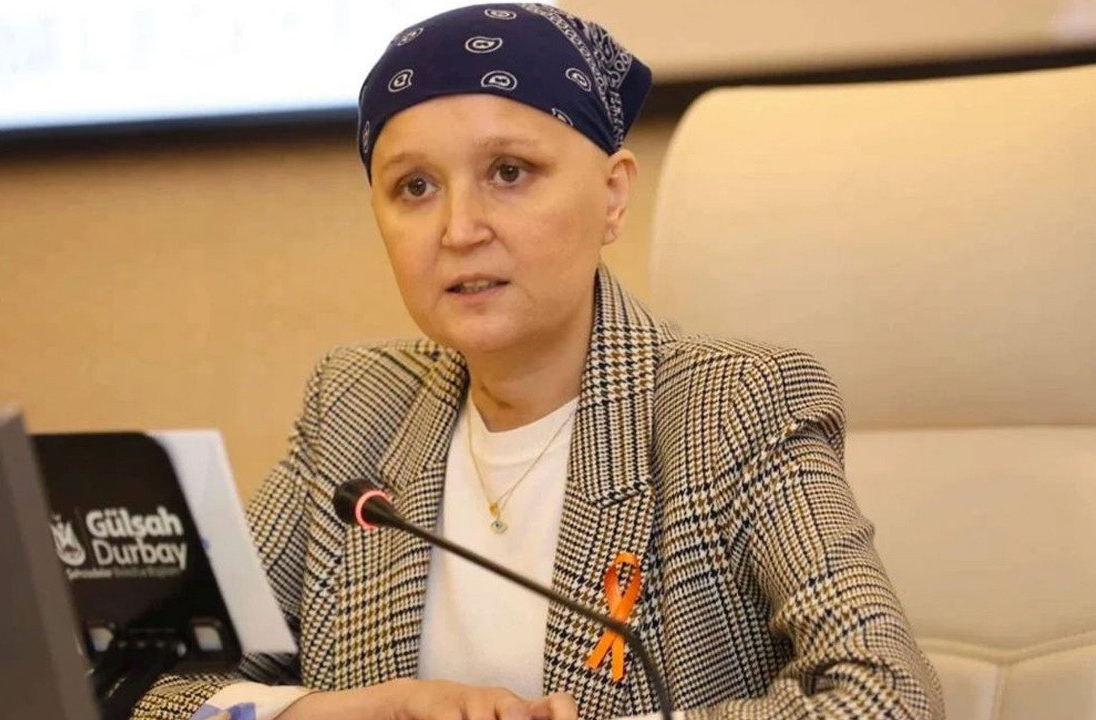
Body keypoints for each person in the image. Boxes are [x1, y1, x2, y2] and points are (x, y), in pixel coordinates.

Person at [134, 4, 944, 719]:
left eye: (509, 173)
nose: (460, 229)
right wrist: (332, 713)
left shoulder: (732, 405)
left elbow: (887, 695)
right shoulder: (356, 405)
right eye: (415, 187)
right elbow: (144, 687)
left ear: (613, 196)